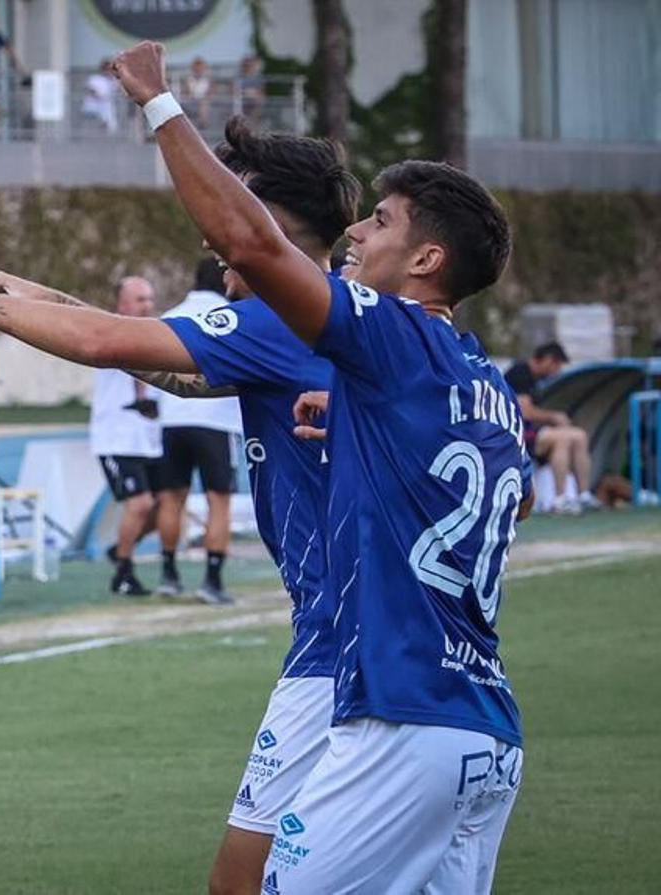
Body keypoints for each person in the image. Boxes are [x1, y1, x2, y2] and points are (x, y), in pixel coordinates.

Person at [0, 114, 360, 892]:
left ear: (264, 227)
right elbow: (131, 335)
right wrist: (18, 290)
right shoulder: (342, 318)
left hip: (341, 644)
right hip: (370, 636)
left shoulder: (278, 322)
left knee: (243, 882)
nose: (212, 238)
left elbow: (109, 343)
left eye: (227, 217)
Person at [114, 41, 525, 892]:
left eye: (380, 223)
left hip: (394, 708)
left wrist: (161, 105)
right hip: (487, 724)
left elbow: (250, 247)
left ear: (426, 261)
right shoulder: (486, 381)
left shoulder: (387, 331)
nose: (357, 233)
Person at [154, 258, 244, 604]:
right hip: (215, 421)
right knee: (217, 501)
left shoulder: (172, 314)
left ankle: (168, 573)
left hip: (173, 419)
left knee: (171, 498)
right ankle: (212, 579)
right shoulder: (232, 316)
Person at [88, 276, 163, 597]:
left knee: (162, 507)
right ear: (122, 304)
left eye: (149, 299)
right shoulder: (112, 331)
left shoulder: (155, 333)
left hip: (147, 437)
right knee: (140, 503)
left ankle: (121, 549)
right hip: (116, 437)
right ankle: (123, 572)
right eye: (139, 299)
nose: (147, 305)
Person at [505, 342, 598, 513]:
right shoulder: (520, 372)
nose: (558, 372)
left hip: (530, 433)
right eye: (557, 366)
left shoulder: (535, 380)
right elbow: (524, 412)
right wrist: (554, 417)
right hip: (513, 434)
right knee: (561, 438)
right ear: (548, 360)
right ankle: (560, 499)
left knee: (579, 436)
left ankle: (584, 495)